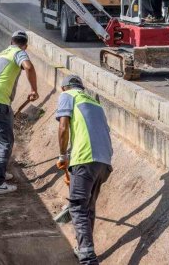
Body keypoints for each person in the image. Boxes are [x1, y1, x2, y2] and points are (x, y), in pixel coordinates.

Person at [56, 75, 113, 265]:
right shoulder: (95, 103)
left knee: (78, 208)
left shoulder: (68, 95)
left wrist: (63, 155)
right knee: (88, 207)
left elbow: (63, 127)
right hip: (104, 161)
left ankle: (88, 258)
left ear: (65, 88)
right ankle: (83, 248)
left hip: (85, 158)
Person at [0, 30, 39, 195]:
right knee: (5, 143)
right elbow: (29, 67)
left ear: (11, 41)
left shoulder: (2, 53)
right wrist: (34, 89)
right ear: (25, 46)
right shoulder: (18, 52)